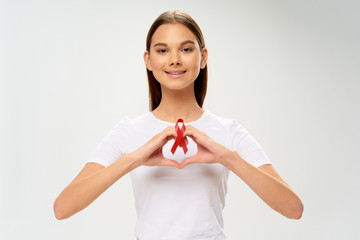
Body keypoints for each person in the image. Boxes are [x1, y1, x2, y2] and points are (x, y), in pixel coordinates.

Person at [54, 10, 303, 239]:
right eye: (162, 50)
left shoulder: (229, 132)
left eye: (185, 49)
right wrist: (133, 159)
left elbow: (293, 208)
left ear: (203, 57)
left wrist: (228, 158)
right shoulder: (128, 131)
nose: (174, 59)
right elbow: (63, 208)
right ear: (148, 60)